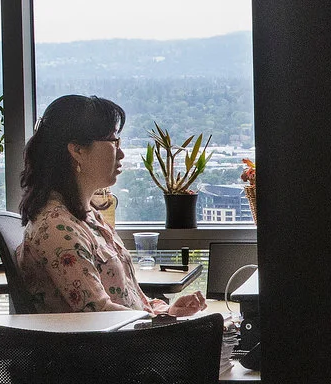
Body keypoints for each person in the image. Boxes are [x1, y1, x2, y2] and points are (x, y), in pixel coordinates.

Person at [17, 94, 209, 318]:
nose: (121, 153)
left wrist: (169, 311)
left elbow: (129, 301)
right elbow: (100, 314)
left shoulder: (87, 217)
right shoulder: (57, 229)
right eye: (113, 142)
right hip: (123, 340)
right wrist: (164, 323)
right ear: (77, 150)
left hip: (138, 335)